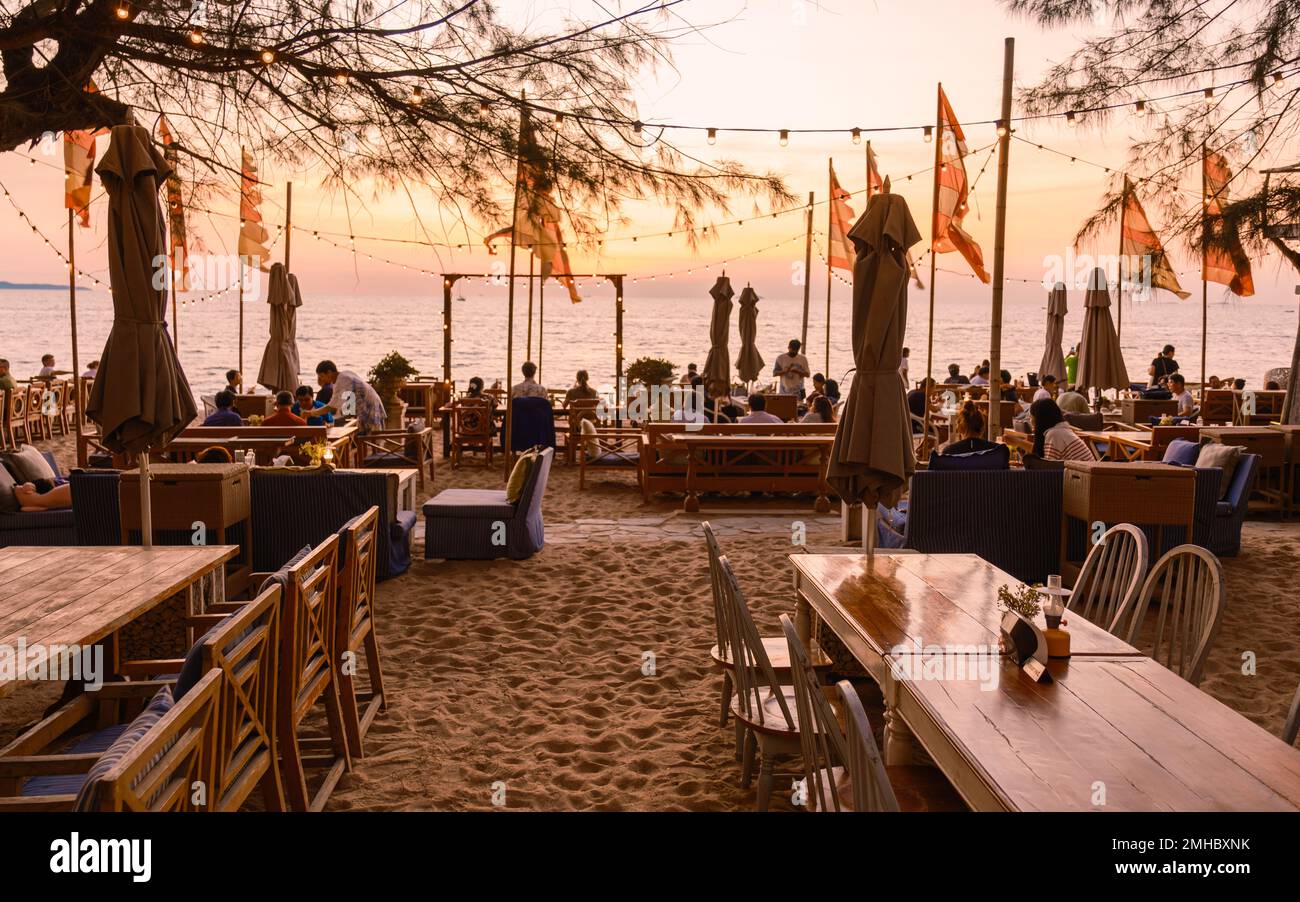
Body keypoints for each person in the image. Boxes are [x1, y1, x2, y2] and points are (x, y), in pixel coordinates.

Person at [310, 360, 386, 433]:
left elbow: (332, 406)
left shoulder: (343, 380)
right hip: (370, 408)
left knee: (368, 441)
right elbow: (346, 405)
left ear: (329, 372)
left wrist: (311, 413)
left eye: (322, 376)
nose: (322, 379)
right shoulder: (344, 375)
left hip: (369, 409)